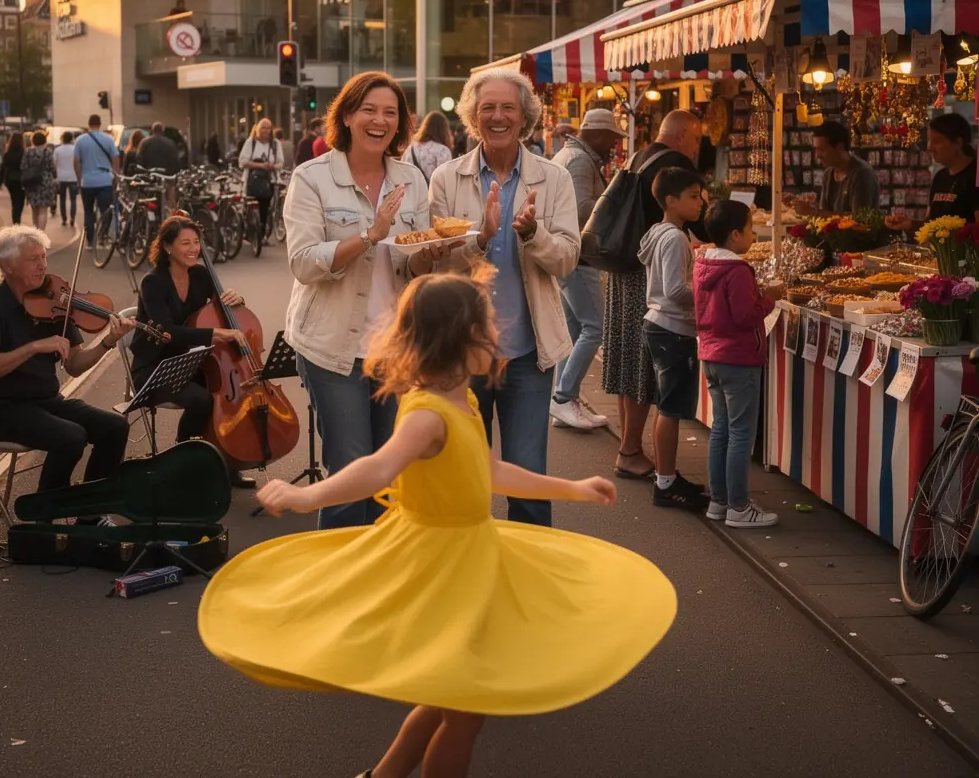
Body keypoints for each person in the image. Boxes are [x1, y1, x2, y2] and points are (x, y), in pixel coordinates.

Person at [198, 270, 677, 778]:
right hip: (436, 567)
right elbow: (376, 468)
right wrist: (303, 495)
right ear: (457, 339)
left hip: (470, 559)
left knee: (449, 693)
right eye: (486, 327)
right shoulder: (426, 414)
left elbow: (490, 471)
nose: (496, 336)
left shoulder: (461, 401)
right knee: (463, 710)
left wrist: (572, 488)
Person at [283, 71, 447, 530]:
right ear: (349, 116)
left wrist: (429, 254)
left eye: (390, 113)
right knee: (352, 473)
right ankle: (338, 584)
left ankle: (380, 580)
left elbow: (411, 267)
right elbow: (303, 262)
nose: (380, 120)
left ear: (400, 124)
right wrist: (370, 235)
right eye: (370, 110)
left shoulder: (411, 179)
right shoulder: (312, 178)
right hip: (333, 348)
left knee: (389, 475)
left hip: (393, 347)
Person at [429, 67, 580, 528]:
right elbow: (434, 266)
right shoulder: (445, 179)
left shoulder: (553, 179)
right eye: (488, 108)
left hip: (527, 355)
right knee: (458, 478)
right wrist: (480, 239)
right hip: (460, 354)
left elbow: (568, 259)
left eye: (508, 107)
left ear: (525, 117)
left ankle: (529, 583)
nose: (498, 116)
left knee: (527, 480)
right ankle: (463, 576)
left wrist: (533, 235)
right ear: (474, 117)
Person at [0, 226, 132, 512]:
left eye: (44, 257)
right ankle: (43, 515)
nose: (43, 265)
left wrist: (107, 341)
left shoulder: (56, 300)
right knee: (71, 436)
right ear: (7, 265)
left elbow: (75, 365)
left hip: (46, 402)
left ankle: (90, 513)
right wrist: (33, 347)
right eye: (33, 259)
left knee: (114, 427)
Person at [602, 109, 705, 482]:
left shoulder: (638, 155)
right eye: (695, 139)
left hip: (624, 266)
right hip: (647, 277)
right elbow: (698, 220)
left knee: (628, 359)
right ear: (680, 136)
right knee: (642, 364)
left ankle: (629, 446)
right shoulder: (673, 164)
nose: (697, 147)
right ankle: (630, 449)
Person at [131, 217, 255, 489]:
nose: (193, 248)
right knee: (201, 399)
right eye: (185, 242)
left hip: (192, 362)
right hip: (155, 366)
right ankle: (181, 463)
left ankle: (229, 464)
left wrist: (238, 300)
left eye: (196, 242)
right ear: (167, 247)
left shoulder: (201, 275)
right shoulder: (153, 282)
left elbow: (223, 311)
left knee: (228, 396)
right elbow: (167, 331)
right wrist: (218, 334)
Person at [695, 200, 783, 529]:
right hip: (739, 360)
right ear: (735, 235)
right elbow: (746, 316)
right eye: (750, 229)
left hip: (712, 356)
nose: (753, 234)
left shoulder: (704, 265)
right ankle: (739, 506)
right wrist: (770, 296)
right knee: (741, 434)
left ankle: (719, 502)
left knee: (721, 430)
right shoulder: (738, 271)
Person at [549, 108, 625, 431]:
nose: (614, 145)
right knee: (595, 327)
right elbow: (581, 210)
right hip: (578, 256)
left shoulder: (568, 155)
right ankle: (564, 398)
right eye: (612, 138)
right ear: (596, 133)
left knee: (575, 331)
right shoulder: (580, 161)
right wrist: (612, 205)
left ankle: (566, 400)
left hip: (566, 253)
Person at [638, 166, 707, 511]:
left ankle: (666, 475)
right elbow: (675, 289)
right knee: (669, 408)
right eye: (693, 197)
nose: (701, 203)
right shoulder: (676, 238)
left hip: (661, 325)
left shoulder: (661, 233)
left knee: (666, 406)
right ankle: (665, 483)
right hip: (672, 327)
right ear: (671, 200)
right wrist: (708, 292)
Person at [798, 120, 880, 215]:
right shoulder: (828, 174)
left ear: (840, 147)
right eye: (816, 150)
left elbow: (859, 220)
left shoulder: (861, 173)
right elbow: (824, 213)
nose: (817, 156)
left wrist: (814, 212)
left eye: (822, 150)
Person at [921, 112, 979, 222]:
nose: (929, 147)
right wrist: (910, 224)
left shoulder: (975, 177)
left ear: (958, 142)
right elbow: (929, 223)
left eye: (936, 141)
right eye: (929, 140)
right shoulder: (940, 177)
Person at [74, 114, 119, 247]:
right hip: (104, 180)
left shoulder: (80, 140)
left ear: (89, 124)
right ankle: (102, 236)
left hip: (87, 181)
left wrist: (78, 179)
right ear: (100, 123)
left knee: (88, 211)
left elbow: (76, 161)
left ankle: (89, 240)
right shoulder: (108, 139)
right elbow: (116, 157)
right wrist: (116, 174)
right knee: (105, 210)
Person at [239, 118, 285, 241]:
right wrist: (259, 165)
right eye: (263, 128)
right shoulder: (251, 142)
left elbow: (280, 163)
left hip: (269, 181)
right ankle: (249, 231)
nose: (265, 130)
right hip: (252, 181)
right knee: (250, 207)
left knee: (265, 207)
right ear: (258, 129)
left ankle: (262, 234)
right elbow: (242, 161)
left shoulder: (275, 144)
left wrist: (272, 166)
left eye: (268, 128)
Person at [401, 109, 453, 183]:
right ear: (444, 130)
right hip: (433, 193)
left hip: (411, 192)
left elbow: (402, 173)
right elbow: (446, 179)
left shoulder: (410, 148)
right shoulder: (442, 151)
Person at [20, 131, 56, 231]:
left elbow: (23, 166)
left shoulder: (28, 152)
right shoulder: (48, 152)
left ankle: (35, 232)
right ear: (44, 140)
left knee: (34, 210)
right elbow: (52, 167)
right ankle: (41, 234)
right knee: (43, 211)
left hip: (31, 183)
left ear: (33, 141)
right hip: (45, 182)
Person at [0, 130, 25, 226]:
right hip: (21, 180)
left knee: (14, 201)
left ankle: (15, 221)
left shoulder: (7, 154)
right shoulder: (23, 153)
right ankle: (17, 220)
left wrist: (0, 181)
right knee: (20, 201)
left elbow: (3, 167)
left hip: (10, 180)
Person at [53, 131, 78, 228]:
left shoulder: (58, 150)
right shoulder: (75, 149)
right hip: (73, 177)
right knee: (73, 199)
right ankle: (72, 218)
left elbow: (54, 164)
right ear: (72, 138)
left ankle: (64, 218)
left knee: (62, 198)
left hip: (61, 177)